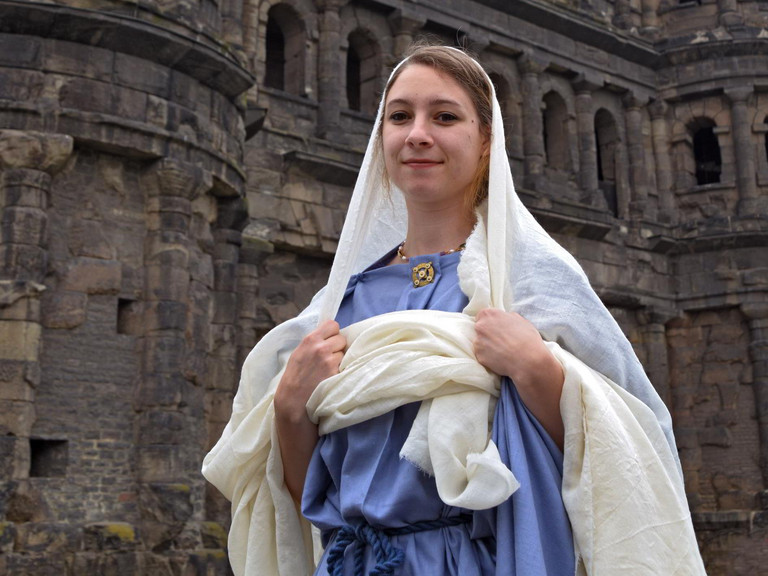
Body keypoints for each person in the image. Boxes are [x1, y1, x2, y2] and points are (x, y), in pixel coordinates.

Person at [203, 45, 706, 576]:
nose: (418, 133)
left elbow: (627, 457)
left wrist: (537, 370)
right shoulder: (340, 305)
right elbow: (313, 501)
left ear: (487, 141)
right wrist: (288, 408)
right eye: (400, 116)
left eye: (444, 116)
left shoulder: (531, 285)